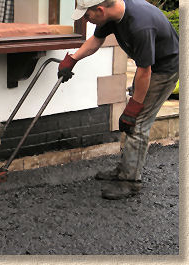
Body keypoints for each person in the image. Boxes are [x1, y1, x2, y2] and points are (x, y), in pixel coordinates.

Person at [58, 0, 179, 200]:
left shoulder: (140, 25)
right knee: (131, 119)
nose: (86, 21)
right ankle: (125, 168)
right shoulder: (110, 16)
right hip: (148, 68)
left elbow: (145, 71)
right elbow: (96, 41)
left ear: (100, 10)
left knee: (137, 122)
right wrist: (73, 59)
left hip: (163, 71)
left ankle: (130, 182)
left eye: (87, 16)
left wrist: (134, 106)